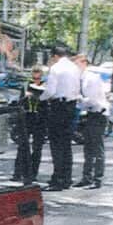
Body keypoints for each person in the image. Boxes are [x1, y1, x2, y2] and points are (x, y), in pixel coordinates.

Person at [39, 45, 79, 191]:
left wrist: (40, 98)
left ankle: (57, 179)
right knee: (66, 144)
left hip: (59, 107)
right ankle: (67, 177)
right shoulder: (74, 68)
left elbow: (50, 91)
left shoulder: (56, 68)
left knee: (56, 144)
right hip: (71, 106)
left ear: (55, 56)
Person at [72, 54, 106, 189]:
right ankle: (87, 177)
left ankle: (97, 178)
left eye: (77, 64)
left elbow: (91, 99)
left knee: (97, 148)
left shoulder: (91, 78)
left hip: (98, 113)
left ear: (84, 63)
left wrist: (78, 100)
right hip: (90, 114)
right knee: (88, 148)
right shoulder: (80, 78)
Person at [14, 65, 45, 184]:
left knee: (37, 147)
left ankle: (33, 173)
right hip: (27, 117)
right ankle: (18, 172)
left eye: (38, 73)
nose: (36, 75)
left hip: (40, 118)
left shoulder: (45, 85)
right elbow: (20, 100)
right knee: (22, 146)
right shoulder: (26, 84)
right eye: (34, 73)